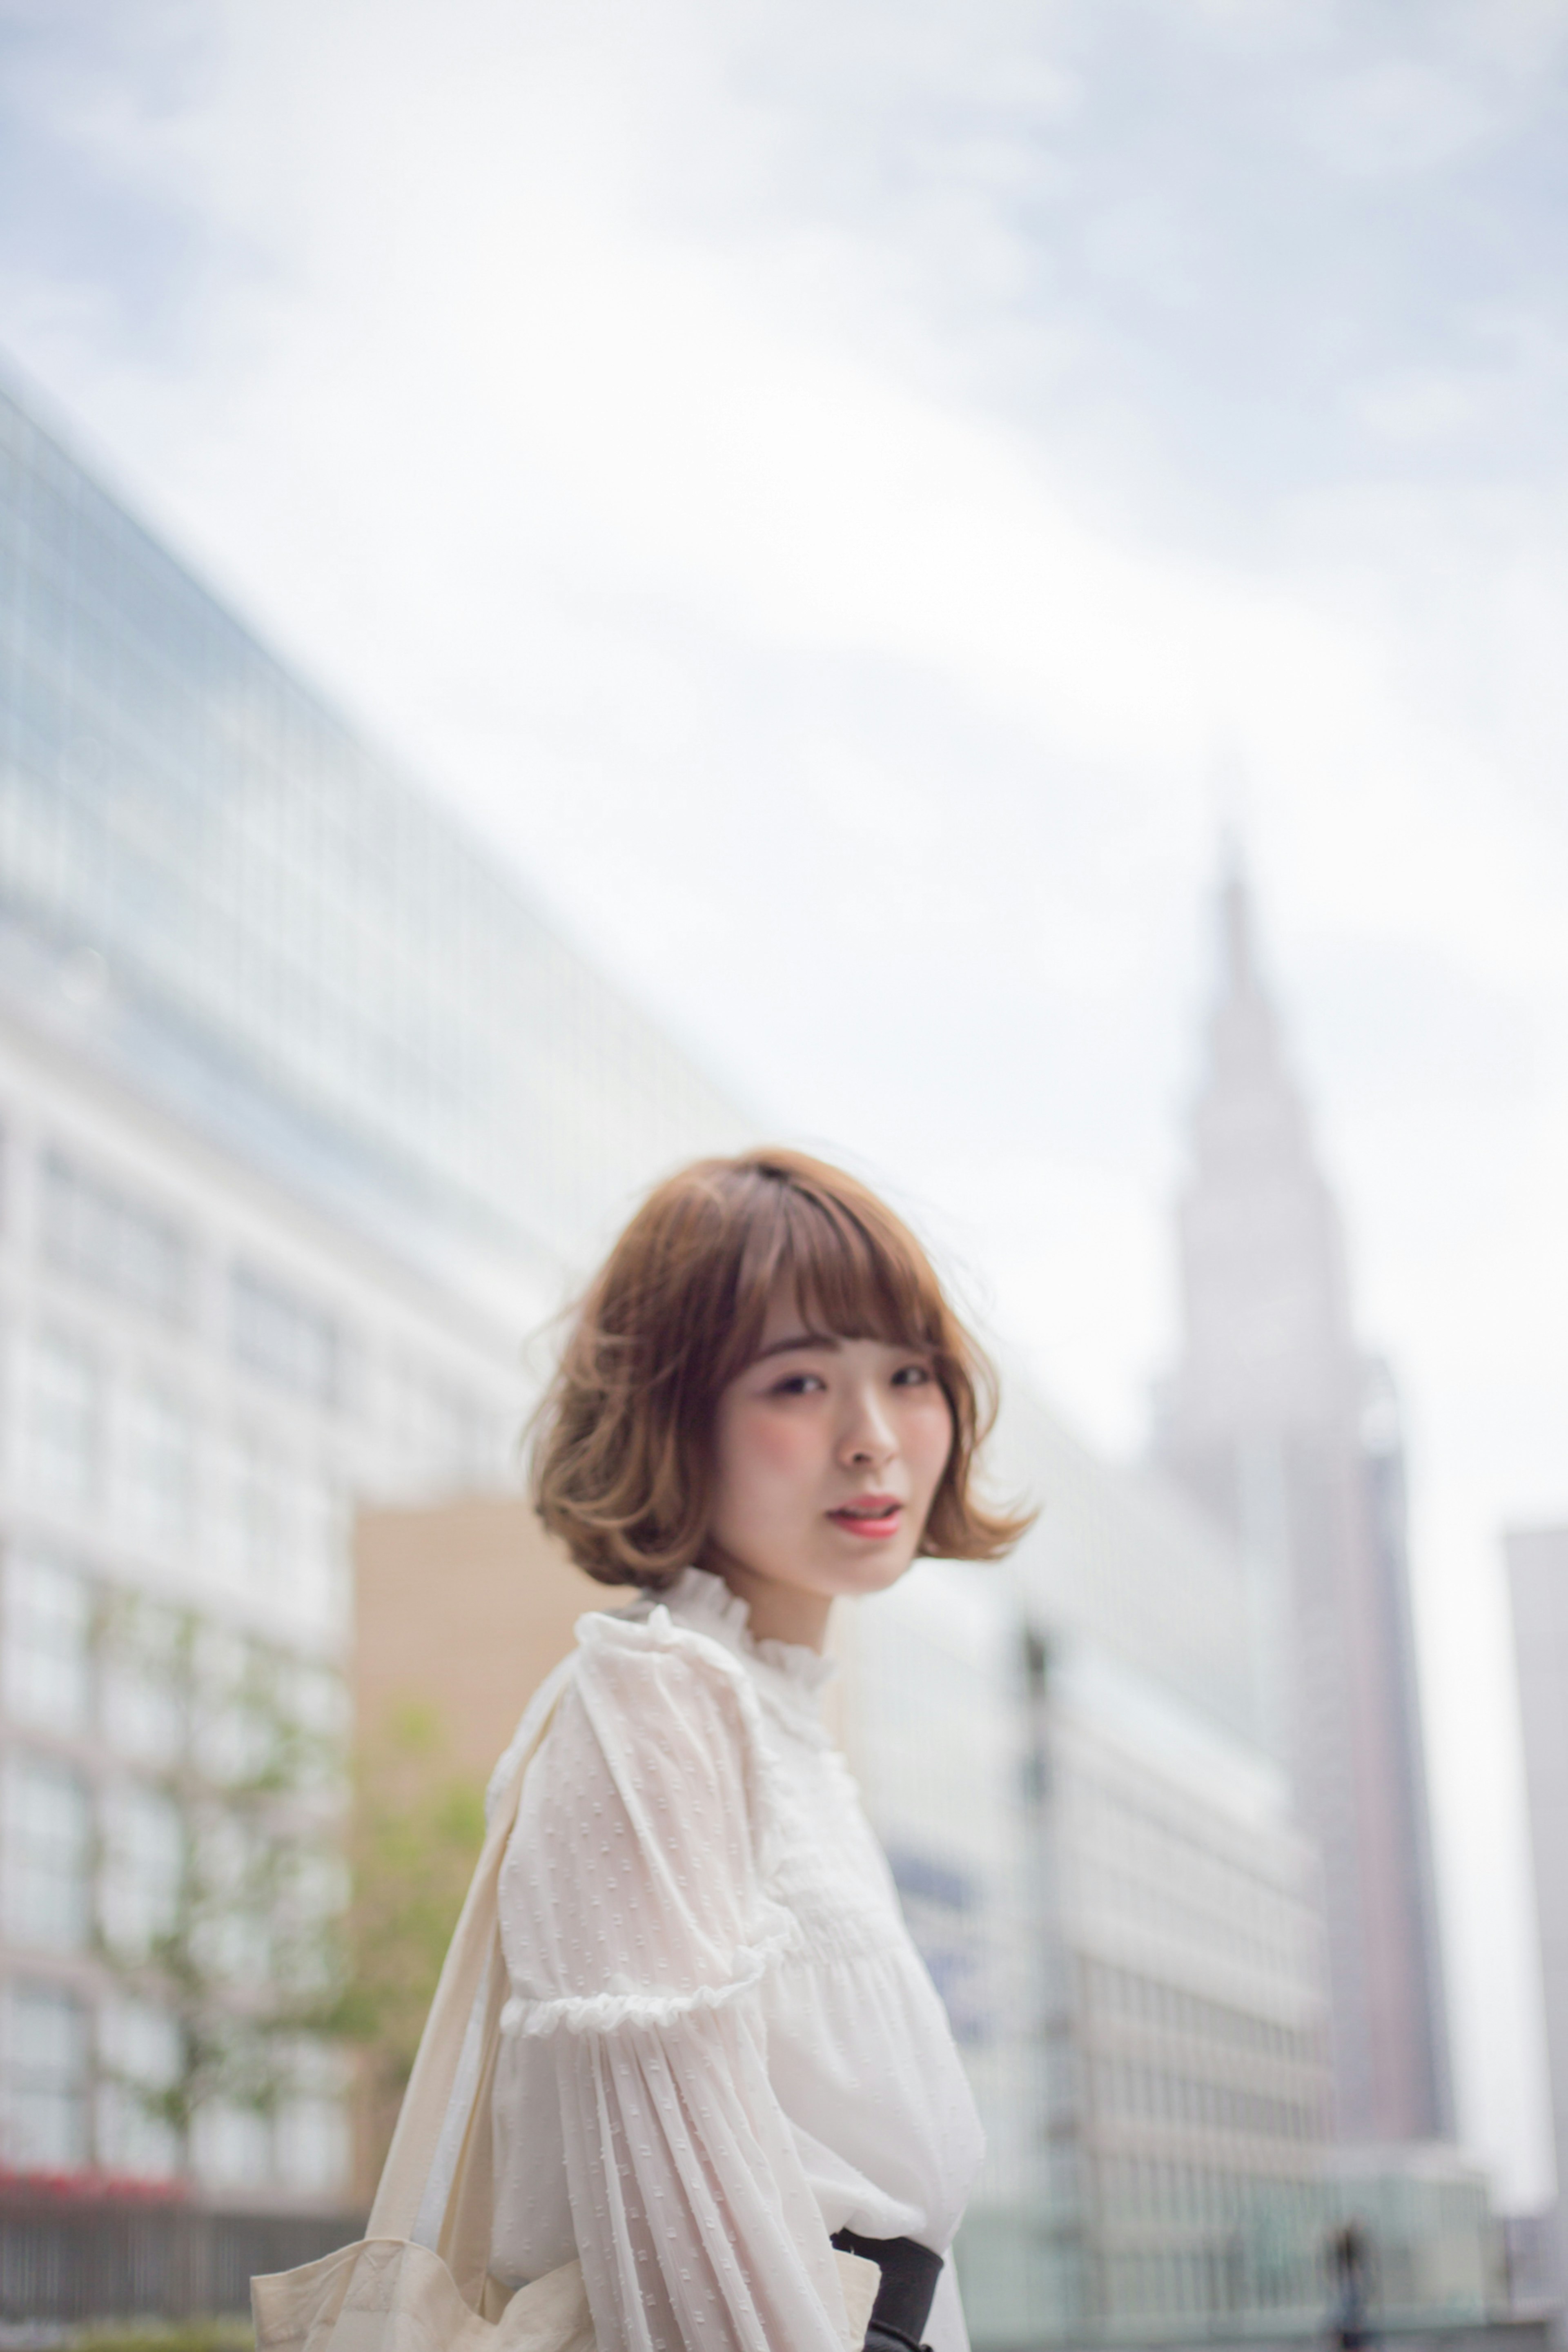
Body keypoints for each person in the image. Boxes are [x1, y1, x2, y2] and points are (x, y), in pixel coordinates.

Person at [452, 1149, 1029, 2352]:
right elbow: (680, 2255)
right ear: (675, 1413)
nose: (874, 1438)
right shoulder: (652, 1707)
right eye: (799, 1383)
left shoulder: (777, 1728)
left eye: (910, 1374)